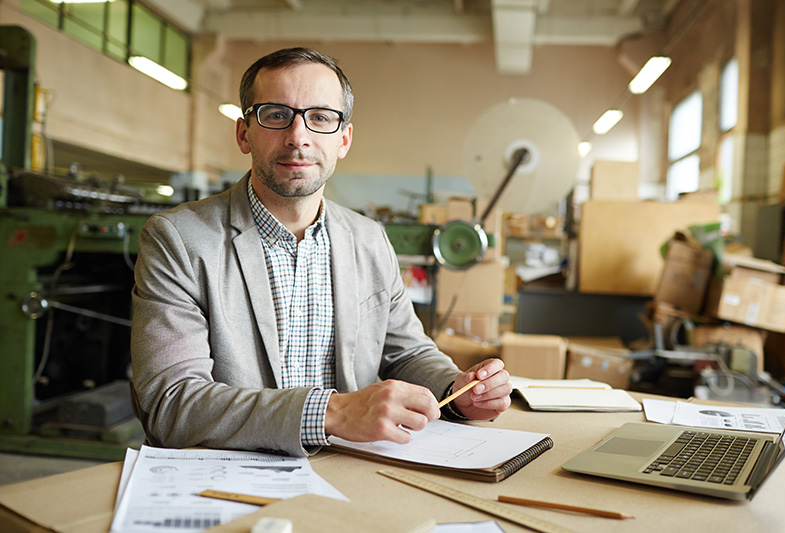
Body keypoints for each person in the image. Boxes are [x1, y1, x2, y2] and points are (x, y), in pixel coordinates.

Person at [130, 47, 511, 457]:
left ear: (343, 139)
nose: (298, 136)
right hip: (227, 479)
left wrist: (455, 390)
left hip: (348, 471)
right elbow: (170, 404)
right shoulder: (179, 240)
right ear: (244, 133)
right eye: (276, 115)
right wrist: (332, 413)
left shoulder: (369, 239)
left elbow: (407, 353)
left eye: (321, 117)